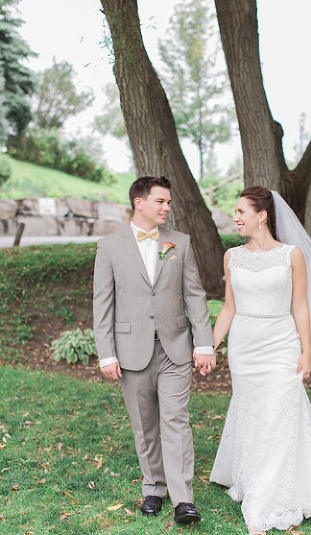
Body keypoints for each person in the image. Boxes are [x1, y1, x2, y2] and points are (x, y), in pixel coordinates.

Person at [209, 186, 311, 535]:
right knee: (255, 416)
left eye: (241, 211)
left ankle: (267, 500)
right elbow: (228, 308)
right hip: (244, 347)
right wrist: (209, 345)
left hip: (281, 345)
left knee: (279, 415)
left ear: (262, 215)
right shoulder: (232, 256)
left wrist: (307, 349)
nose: (235, 217)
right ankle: (254, 479)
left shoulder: (291, 255)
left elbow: (300, 305)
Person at [93, 175, 216, 525]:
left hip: (176, 349)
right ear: (140, 203)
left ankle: (183, 499)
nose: (166, 208)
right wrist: (107, 353)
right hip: (131, 350)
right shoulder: (109, 246)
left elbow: (194, 294)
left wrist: (203, 342)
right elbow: (102, 303)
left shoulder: (180, 243)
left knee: (176, 421)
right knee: (144, 425)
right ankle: (154, 488)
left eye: (168, 202)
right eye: (160, 201)